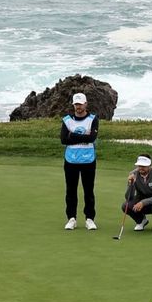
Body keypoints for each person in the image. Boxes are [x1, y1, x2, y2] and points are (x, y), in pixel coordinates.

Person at [60, 92, 100, 231]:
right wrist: (82, 135)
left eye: (80, 104)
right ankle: (71, 218)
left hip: (88, 160)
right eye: (76, 104)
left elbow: (92, 138)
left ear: (85, 104)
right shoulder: (67, 120)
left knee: (88, 191)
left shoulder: (93, 119)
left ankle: (90, 219)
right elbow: (64, 139)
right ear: (74, 105)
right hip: (71, 160)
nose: (78, 107)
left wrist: (73, 135)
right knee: (71, 191)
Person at [123, 154, 152, 232]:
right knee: (126, 206)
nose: (141, 168)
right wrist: (131, 184)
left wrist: (143, 202)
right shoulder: (133, 174)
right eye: (139, 165)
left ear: (150, 166)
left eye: (144, 166)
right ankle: (141, 221)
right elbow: (128, 197)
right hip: (140, 199)